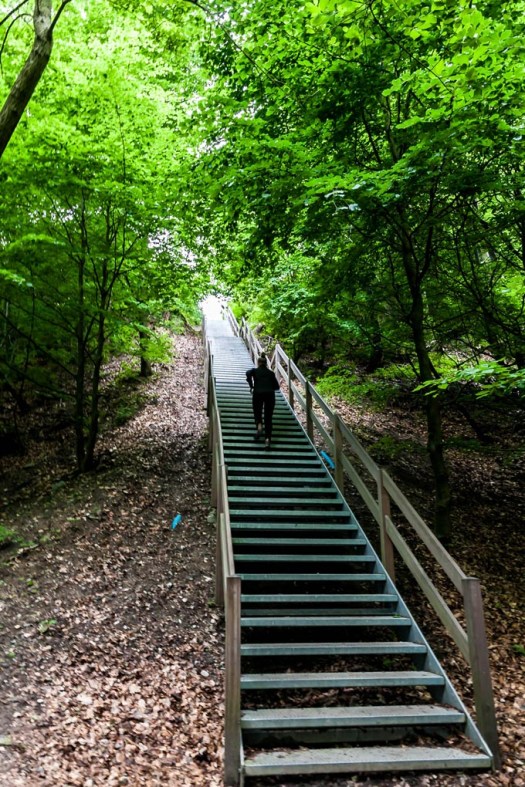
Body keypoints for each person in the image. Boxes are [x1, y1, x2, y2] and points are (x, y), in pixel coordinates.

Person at [246, 352, 280, 449]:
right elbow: (277, 387)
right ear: (266, 364)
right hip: (270, 395)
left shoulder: (254, 371)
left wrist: (251, 385)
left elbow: (247, 373)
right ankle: (267, 440)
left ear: (258, 363)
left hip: (258, 393)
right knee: (268, 417)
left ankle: (259, 425)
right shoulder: (271, 373)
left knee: (257, 411)